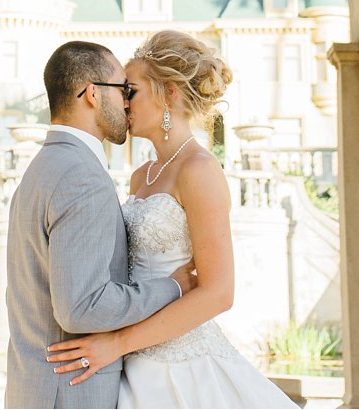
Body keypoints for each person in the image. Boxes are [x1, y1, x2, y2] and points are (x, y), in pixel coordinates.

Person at [44, 30, 296, 408]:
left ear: (169, 93)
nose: (122, 102)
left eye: (131, 91)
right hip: (128, 363)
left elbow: (218, 293)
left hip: (181, 368)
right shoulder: (139, 175)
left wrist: (118, 343)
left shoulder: (200, 169)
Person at [5, 41, 196, 409]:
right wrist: (173, 286)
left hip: (37, 390)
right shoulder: (82, 177)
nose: (128, 102)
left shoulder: (41, 168)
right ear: (92, 93)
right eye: (123, 89)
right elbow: (82, 307)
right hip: (72, 393)